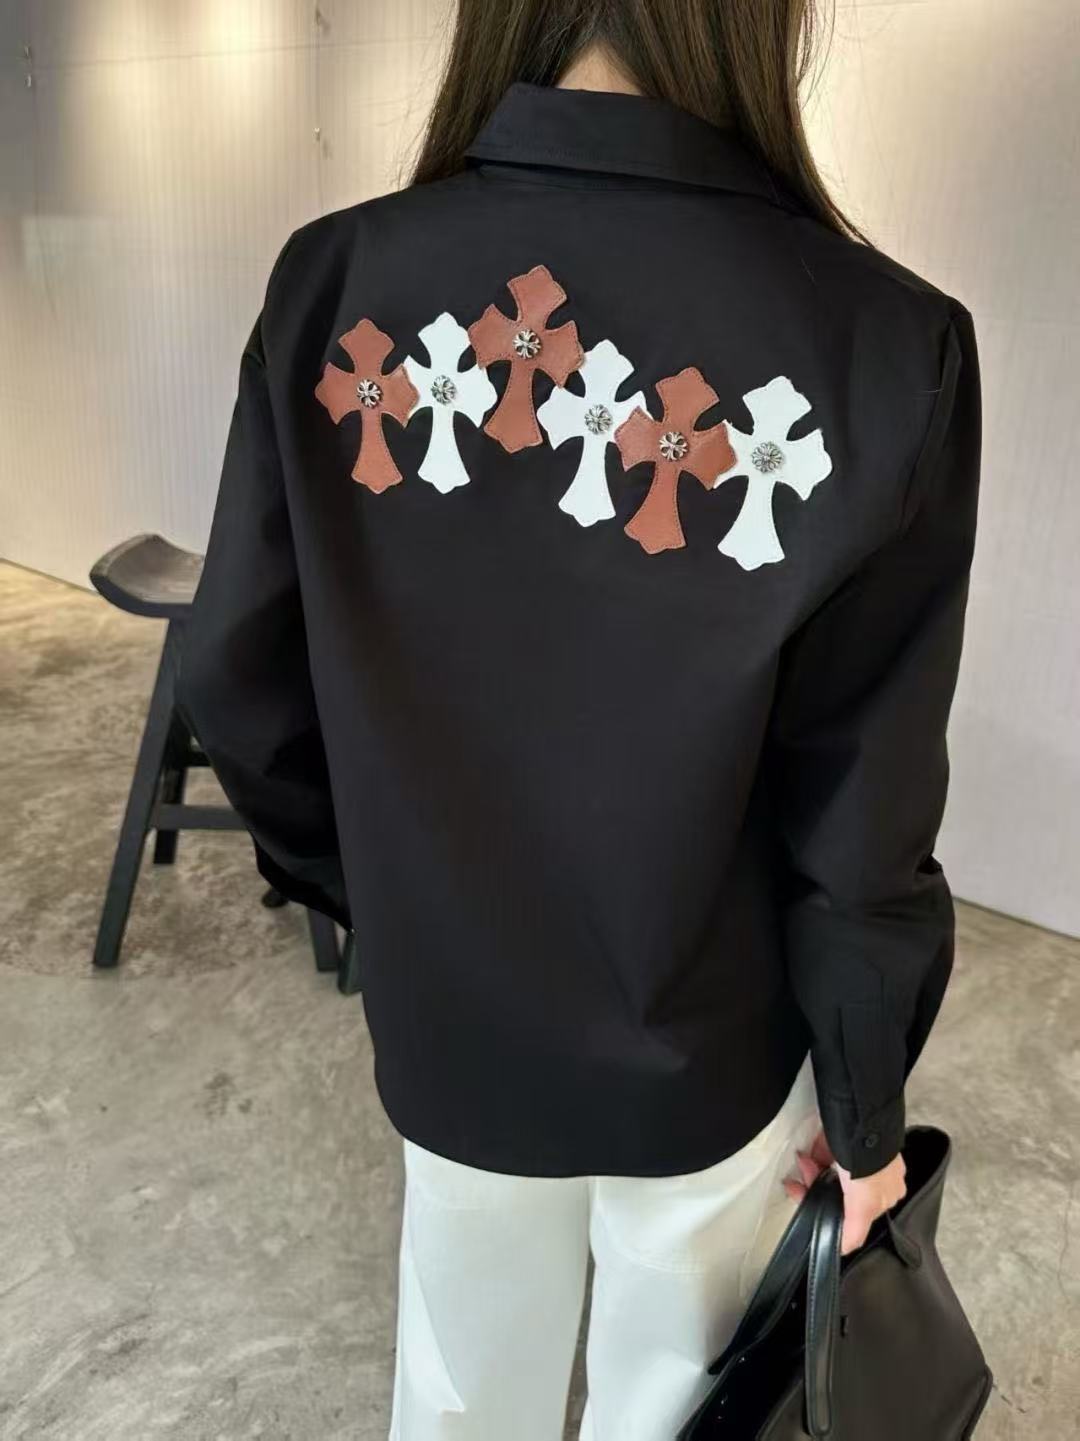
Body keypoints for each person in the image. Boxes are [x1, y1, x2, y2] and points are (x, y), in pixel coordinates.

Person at [177, 2, 981, 1436]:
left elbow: (242, 686)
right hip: (714, 1053)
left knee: (458, 1395)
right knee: (682, 1408)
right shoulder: (886, 345)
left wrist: (395, 903)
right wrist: (864, 1114)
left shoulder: (336, 283)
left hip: (458, 1023)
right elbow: (862, 816)